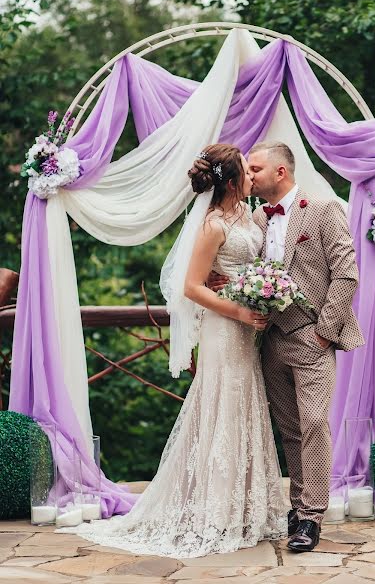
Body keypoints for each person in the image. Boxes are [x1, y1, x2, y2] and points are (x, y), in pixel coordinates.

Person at [57, 143, 287, 558]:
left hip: (245, 329)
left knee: (244, 405)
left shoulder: (248, 216)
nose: (255, 177)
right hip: (223, 328)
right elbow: (191, 287)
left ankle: (247, 507)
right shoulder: (213, 224)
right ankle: (216, 512)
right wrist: (240, 309)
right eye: (247, 173)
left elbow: (250, 265)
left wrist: (260, 292)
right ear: (233, 182)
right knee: (221, 405)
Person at [210, 141, 364, 552]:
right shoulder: (256, 219)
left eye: (256, 169)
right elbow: (242, 267)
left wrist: (324, 333)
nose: (250, 175)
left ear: (280, 172)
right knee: (291, 431)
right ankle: (298, 510)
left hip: (312, 338)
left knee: (314, 424)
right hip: (269, 339)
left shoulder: (324, 209)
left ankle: (312, 517)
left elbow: (347, 275)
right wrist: (226, 285)